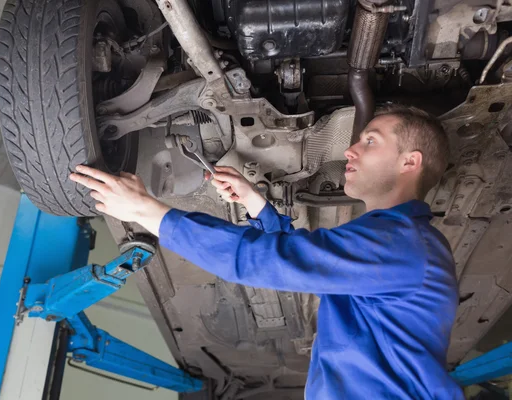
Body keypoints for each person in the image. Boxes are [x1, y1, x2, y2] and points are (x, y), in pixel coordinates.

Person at [70, 106, 464, 399]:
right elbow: (303, 260)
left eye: (370, 140)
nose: (350, 150)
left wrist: (148, 211)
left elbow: (274, 263)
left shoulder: (407, 246)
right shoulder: (397, 243)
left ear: (410, 162)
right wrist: (257, 206)